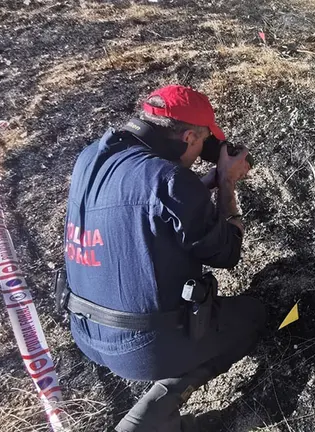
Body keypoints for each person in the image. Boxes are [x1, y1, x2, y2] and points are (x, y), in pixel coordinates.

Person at [58, 85, 267, 431]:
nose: (202, 153)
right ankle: (150, 417)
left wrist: (204, 182)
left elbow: (149, 205)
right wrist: (227, 184)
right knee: (253, 316)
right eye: (201, 146)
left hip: (85, 330)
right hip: (143, 349)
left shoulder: (91, 157)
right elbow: (228, 252)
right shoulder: (170, 180)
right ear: (188, 137)